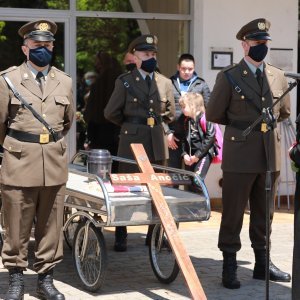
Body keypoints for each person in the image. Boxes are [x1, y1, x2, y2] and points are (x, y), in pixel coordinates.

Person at [206, 18, 291, 289]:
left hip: (270, 152)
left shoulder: (277, 75)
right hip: (241, 152)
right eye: (257, 43)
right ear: (245, 45)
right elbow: (214, 113)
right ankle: (229, 265)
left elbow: (285, 111)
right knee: (233, 212)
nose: (262, 47)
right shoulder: (229, 76)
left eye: (265, 43)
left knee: (265, 212)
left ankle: (262, 264)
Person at [0, 19, 74, 300]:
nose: (43, 48)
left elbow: (66, 123)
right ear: (25, 47)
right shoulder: (8, 80)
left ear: (53, 47)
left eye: (47, 44)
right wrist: (18, 146)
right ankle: (16, 280)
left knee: (51, 225)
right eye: (37, 44)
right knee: (17, 224)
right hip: (19, 162)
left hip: (53, 163)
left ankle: (45, 280)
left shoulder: (64, 81)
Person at [104, 34, 175, 251]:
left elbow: (170, 113)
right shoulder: (124, 81)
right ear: (135, 57)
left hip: (157, 140)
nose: (151, 58)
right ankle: (121, 233)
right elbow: (110, 112)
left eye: (153, 54)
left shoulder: (164, 82)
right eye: (146, 54)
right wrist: (130, 126)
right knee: (127, 188)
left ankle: (155, 234)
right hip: (132, 141)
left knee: (158, 189)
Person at [168, 53, 211, 171]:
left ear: (194, 68)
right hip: (175, 136)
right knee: (173, 175)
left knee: (192, 179)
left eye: (190, 69)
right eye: (183, 68)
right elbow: (163, 110)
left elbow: (209, 110)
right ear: (178, 67)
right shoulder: (169, 83)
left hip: (194, 138)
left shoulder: (201, 84)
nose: (187, 72)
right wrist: (167, 133)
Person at [83, 52, 122, 165]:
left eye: (98, 62)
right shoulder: (119, 80)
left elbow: (90, 112)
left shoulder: (100, 83)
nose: (96, 65)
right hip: (115, 129)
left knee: (100, 165)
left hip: (100, 129)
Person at [179, 92, 215, 193]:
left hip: (204, 155)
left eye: (183, 107)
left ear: (192, 106)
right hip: (191, 156)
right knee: (190, 181)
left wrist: (197, 156)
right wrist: (184, 154)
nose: (182, 110)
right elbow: (184, 140)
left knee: (197, 180)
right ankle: (195, 206)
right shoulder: (187, 121)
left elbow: (210, 137)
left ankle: (204, 207)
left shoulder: (205, 118)